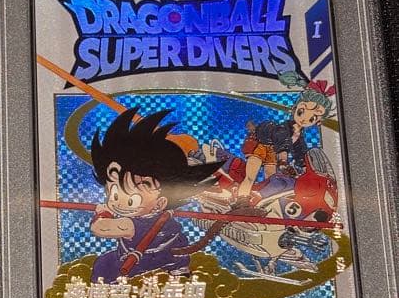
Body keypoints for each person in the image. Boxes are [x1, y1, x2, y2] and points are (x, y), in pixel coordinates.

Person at [89, 108, 222, 282]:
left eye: (131, 200)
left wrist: (103, 212)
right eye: (114, 194)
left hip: (143, 262)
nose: (118, 202)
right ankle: (179, 270)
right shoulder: (166, 218)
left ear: (160, 203)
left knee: (102, 265)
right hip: (172, 258)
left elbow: (101, 228)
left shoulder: (132, 224)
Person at [236, 78, 336, 201]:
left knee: (271, 180)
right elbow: (282, 140)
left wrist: (307, 170)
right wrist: (283, 162)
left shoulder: (299, 136)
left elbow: (300, 153)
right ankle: (241, 199)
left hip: (273, 153)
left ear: (318, 122)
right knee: (250, 176)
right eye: (301, 112)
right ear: (295, 108)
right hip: (259, 146)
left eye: (312, 118)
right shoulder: (283, 128)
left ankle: (263, 201)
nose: (304, 119)